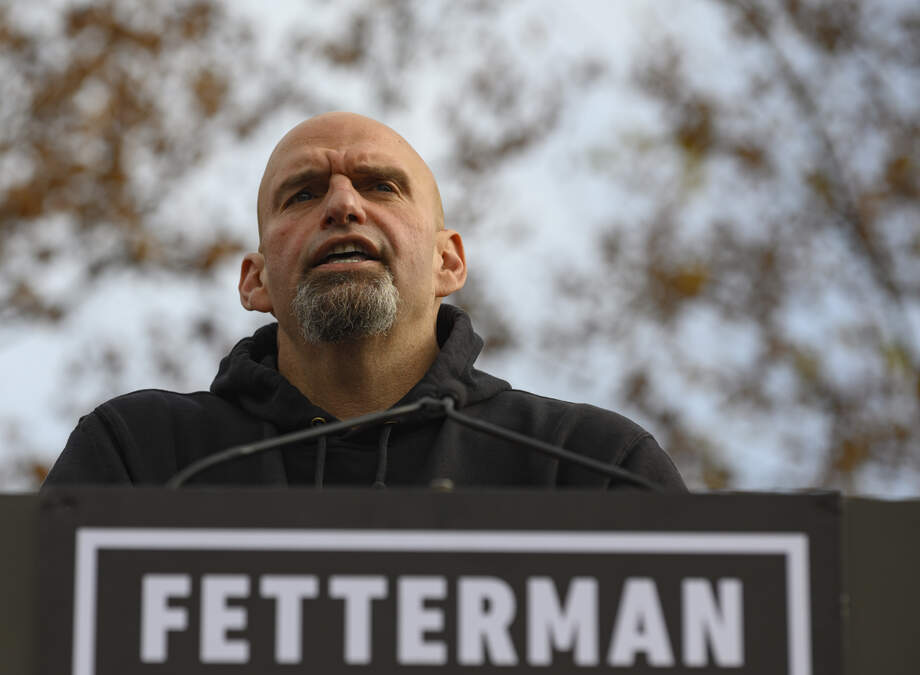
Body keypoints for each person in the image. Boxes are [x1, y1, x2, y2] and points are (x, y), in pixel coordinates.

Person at [43, 112, 686, 491]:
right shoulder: (141, 455)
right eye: (302, 194)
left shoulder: (593, 467)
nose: (344, 204)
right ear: (255, 282)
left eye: (381, 187)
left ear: (447, 262)